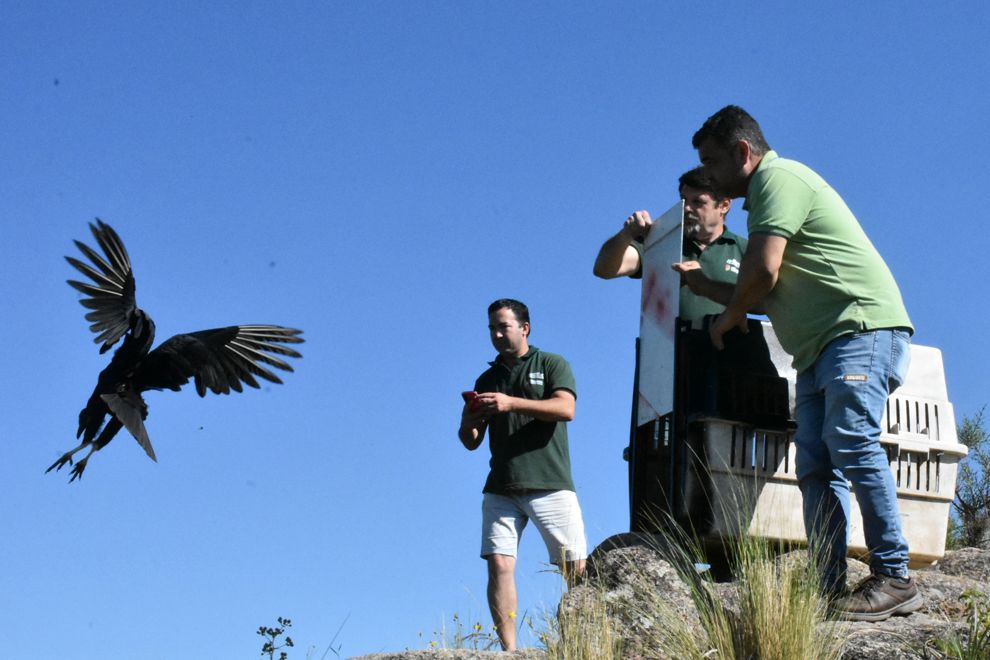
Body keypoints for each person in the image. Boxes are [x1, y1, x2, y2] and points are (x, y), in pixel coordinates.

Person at [677, 105, 919, 621]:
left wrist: (725, 318)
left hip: (859, 331)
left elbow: (761, 275)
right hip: (817, 349)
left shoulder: (777, 180)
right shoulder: (765, 198)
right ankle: (829, 587)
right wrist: (711, 290)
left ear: (744, 153)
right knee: (815, 464)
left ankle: (894, 575)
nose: (708, 174)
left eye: (712, 161)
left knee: (851, 441)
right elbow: (764, 292)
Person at [458, 299, 587, 651]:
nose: (497, 334)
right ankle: (510, 651)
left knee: (574, 568)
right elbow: (471, 442)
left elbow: (566, 408)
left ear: (525, 327)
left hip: (550, 481)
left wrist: (512, 403)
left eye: (503, 327)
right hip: (501, 484)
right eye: (492, 329)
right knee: (499, 563)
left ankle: (582, 644)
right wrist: (469, 421)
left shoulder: (551, 363)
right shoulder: (488, 377)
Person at [593, 166, 747, 324]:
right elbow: (604, 269)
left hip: (731, 345)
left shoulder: (744, 249)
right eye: (683, 200)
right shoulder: (661, 240)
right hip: (670, 347)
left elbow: (765, 300)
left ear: (724, 205)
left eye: (697, 202)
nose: (687, 208)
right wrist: (626, 234)